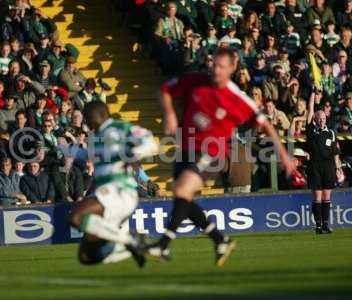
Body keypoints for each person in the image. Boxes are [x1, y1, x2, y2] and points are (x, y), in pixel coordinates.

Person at [148, 48, 295, 265]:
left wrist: (284, 156)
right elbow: (164, 90)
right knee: (183, 199)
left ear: (232, 68)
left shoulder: (238, 99)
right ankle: (220, 240)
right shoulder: (196, 81)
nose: (215, 70)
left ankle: (162, 245)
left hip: (212, 152)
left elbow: (268, 127)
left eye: (221, 66)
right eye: (213, 64)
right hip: (186, 148)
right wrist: (169, 113)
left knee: (181, 190)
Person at [69, 100, 158, 267]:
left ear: (102, 115)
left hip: (120, 191)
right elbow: (98, 172)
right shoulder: (94, 137)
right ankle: (135, 247)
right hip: (104, 192)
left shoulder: (119, 128)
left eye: (88, 117)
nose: (85, 121)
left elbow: (150, 142)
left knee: (76, 217)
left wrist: (134, 152)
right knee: (87, 256)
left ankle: (130, 239)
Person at [306, 89, 342, 234]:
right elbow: (310, 110)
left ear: (326, 119)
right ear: (315, 119)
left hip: (328, 166)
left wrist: (338, 168)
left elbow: (335, 154)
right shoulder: (311, 130)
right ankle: (318, 225)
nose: (321, 121)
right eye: (319, 118)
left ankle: (326, 224)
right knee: (317, 197)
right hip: (315, 166)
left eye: (323, 119)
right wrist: (313, 94)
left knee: (327, 196)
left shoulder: (331, 133)